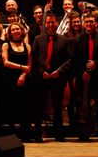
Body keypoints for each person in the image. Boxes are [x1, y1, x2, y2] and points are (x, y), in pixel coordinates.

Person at [31, 12, 72, 142]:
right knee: (38, 107)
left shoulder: (65, 40)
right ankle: (37, 135)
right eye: (48, 22)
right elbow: (34, 59)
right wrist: (41, 71)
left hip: (57, 78)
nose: (50, 25)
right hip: (41, 78)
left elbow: (69, 59)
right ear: (45, 24)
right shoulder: (38, 39)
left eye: (53, 22)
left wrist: (59, 71)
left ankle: (59, 135)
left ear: (57, 23)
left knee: (58, 108)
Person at [71, 14, 98, 142]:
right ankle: (83, 132)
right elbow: (74, 60)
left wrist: (96, 64)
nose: (89, 24)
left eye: (91, 21)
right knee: (83, 105)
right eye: (87, 21)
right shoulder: (77, 39)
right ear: (83, 23)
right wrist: (82, 72)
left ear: (96, 23)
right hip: (83, 77)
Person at [2, 22, 32, 139]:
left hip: (24, 79)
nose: (16, 31)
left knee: (24, 106)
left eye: (18, 29)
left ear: (22, 31)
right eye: (13, 30)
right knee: (11, 107)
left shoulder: (27, 46)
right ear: (10, 32)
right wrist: (21, 67)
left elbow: (29, 65)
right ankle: (11, 134)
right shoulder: (6, 45)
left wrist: (23, 75)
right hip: (10, 79)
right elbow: (6, 63)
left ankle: (25, 134)